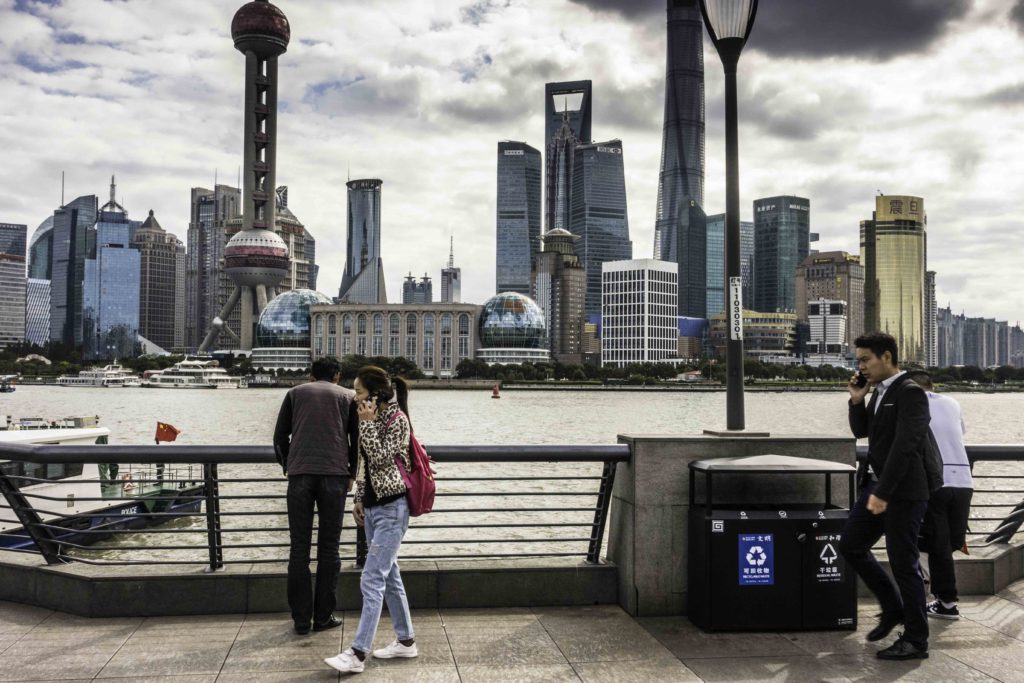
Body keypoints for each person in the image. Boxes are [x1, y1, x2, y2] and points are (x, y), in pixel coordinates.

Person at [839, 332, 935, 661]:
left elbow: (906, 446)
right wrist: (856, 399)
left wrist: (884, 492)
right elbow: (862, 432)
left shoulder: (910, 393)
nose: (860, 366)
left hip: (902, 493)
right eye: (859, 360)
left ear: (888, 357)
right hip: (878, 487)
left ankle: (916, 640)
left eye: (866, 359)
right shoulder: (880, 392)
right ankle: (893, 607)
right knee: (851, 544)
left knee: (904, 564)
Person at [325, 366, 417, 674]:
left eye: (360, 393)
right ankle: (405, 642)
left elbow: (380, 457)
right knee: (389, 577)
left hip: (393, 508)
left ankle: (358, 653)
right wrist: (359, 499)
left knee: (372, 578)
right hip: (376, 509)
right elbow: (364, 466)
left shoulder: (398, 421)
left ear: (376, 395)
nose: (355, 398)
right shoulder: (372, 420)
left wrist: (365, 425)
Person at [273, 356, 356, 635]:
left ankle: (300, 619)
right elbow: (355, 440)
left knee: (299, 549)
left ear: (311, 375)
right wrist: (352, 474)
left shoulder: (294, 394)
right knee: (329, 548)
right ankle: (323, 616)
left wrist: (288, 464)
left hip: (300, 477)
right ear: (337, 375)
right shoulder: (348, 396)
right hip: (334, 476)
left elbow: (280, 436)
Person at [907, 370, 974, 620]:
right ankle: (943, 598)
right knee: (949, 543)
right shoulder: (952, 403)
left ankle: (943, 601)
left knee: (933, 544)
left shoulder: (912, 406)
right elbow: (959, 433)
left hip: (934, 482)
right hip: (964, 480)